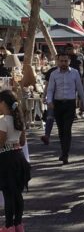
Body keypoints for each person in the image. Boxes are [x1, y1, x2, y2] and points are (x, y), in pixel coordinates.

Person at [46, 53, 84, 165]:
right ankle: (63, 151)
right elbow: (50, 89)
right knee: (61, 130)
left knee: (67, 129)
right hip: (58, 104)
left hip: (70, 104)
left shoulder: (75, 73)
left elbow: (79, 88)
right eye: (61, 61)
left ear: (69, 61)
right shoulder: (53, 74)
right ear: (58, 61)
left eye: (65, 61)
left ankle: (65, 154)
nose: (63, 63)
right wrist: (49, 101)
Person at [0, 90, 30, 232]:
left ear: (3, 103)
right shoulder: (19, 119)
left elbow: (0, 142)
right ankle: (18, 224)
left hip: (6, 159)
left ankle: (8, 225)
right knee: (17, 193)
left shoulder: (3, 121)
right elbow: (23, 142)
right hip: (19, 157)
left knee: (8, 194)